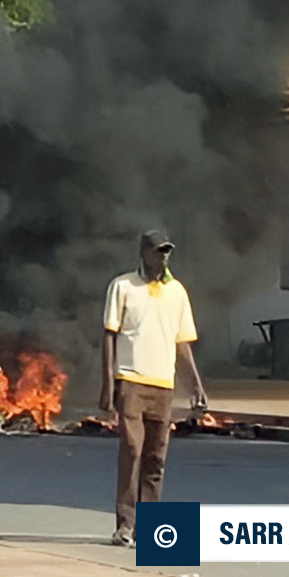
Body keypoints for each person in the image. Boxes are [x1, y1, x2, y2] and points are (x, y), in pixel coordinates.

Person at [103, 229, 206, 548]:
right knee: (132, 451)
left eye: (167, 251)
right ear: (143, 253)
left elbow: (183, 342)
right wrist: (108, 385)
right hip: (131, 382)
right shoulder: (122, 287)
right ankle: (125, 525)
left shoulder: (177, 292)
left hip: (163, 385)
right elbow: (109, 336)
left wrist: (196, 385)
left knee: (155, 457)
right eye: (158, 251)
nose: (163, 256)